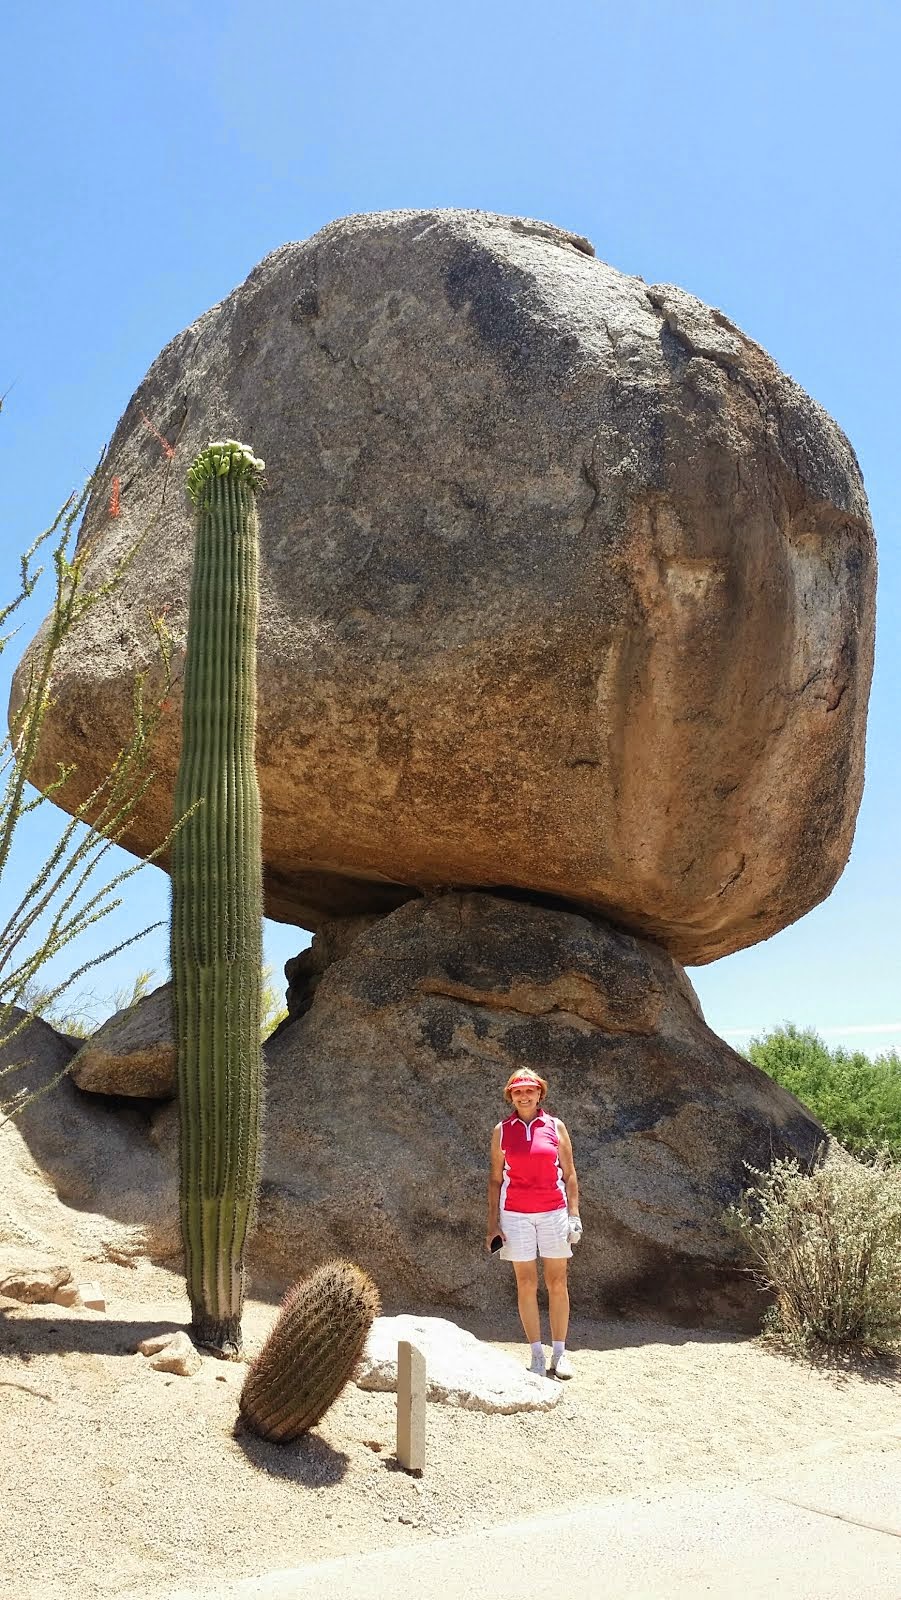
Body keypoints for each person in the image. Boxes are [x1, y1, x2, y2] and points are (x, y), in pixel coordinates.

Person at [485, 1068, 582, 1379]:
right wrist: (493, 1225)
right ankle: (537, 1355)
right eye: (518, 1092)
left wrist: (574, 1215)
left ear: (540, 1093)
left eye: (530, 1090)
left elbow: (569, 1174)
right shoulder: (502, 1130)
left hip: (553, 1211)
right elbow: (495, 1179)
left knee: (557, 1282)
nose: (524, 1096)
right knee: (526, 1283)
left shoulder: (555, 1126)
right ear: (510, 1096)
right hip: (515, 1214)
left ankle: (560, 1353)